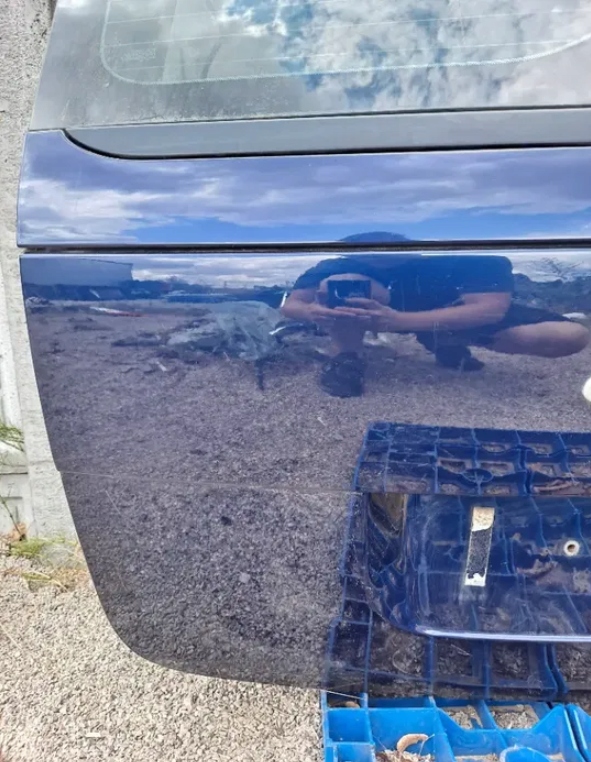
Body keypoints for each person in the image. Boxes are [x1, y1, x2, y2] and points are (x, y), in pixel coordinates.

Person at [280, 253, 589, 397]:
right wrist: (312, 312)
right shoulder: (337, 264)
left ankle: (448, 340)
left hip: (448, 316)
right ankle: (347, 355)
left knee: (570, 335)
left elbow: (490, 309)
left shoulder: (467, 253)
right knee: (342, 283)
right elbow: (291, 305)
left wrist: (399, 321)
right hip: (368, 315)